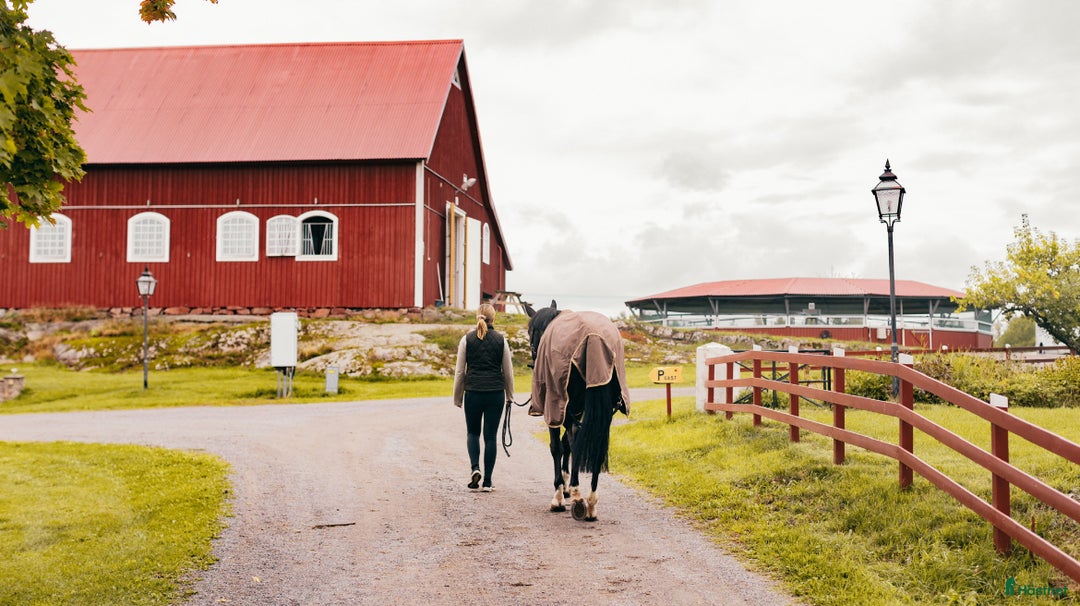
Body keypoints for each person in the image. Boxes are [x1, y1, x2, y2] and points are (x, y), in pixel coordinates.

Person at [453, 303, 514, 492]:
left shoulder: (466, 339)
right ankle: (487, 481)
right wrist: (510, 395)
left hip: (473, 393)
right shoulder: (501, 340)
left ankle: (475, 468)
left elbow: (459, 372)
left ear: (477, 317)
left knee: (473, 433)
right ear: (493, 318)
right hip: (495, 394)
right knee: (490, 437)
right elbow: (508, 372)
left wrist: (458, 397)